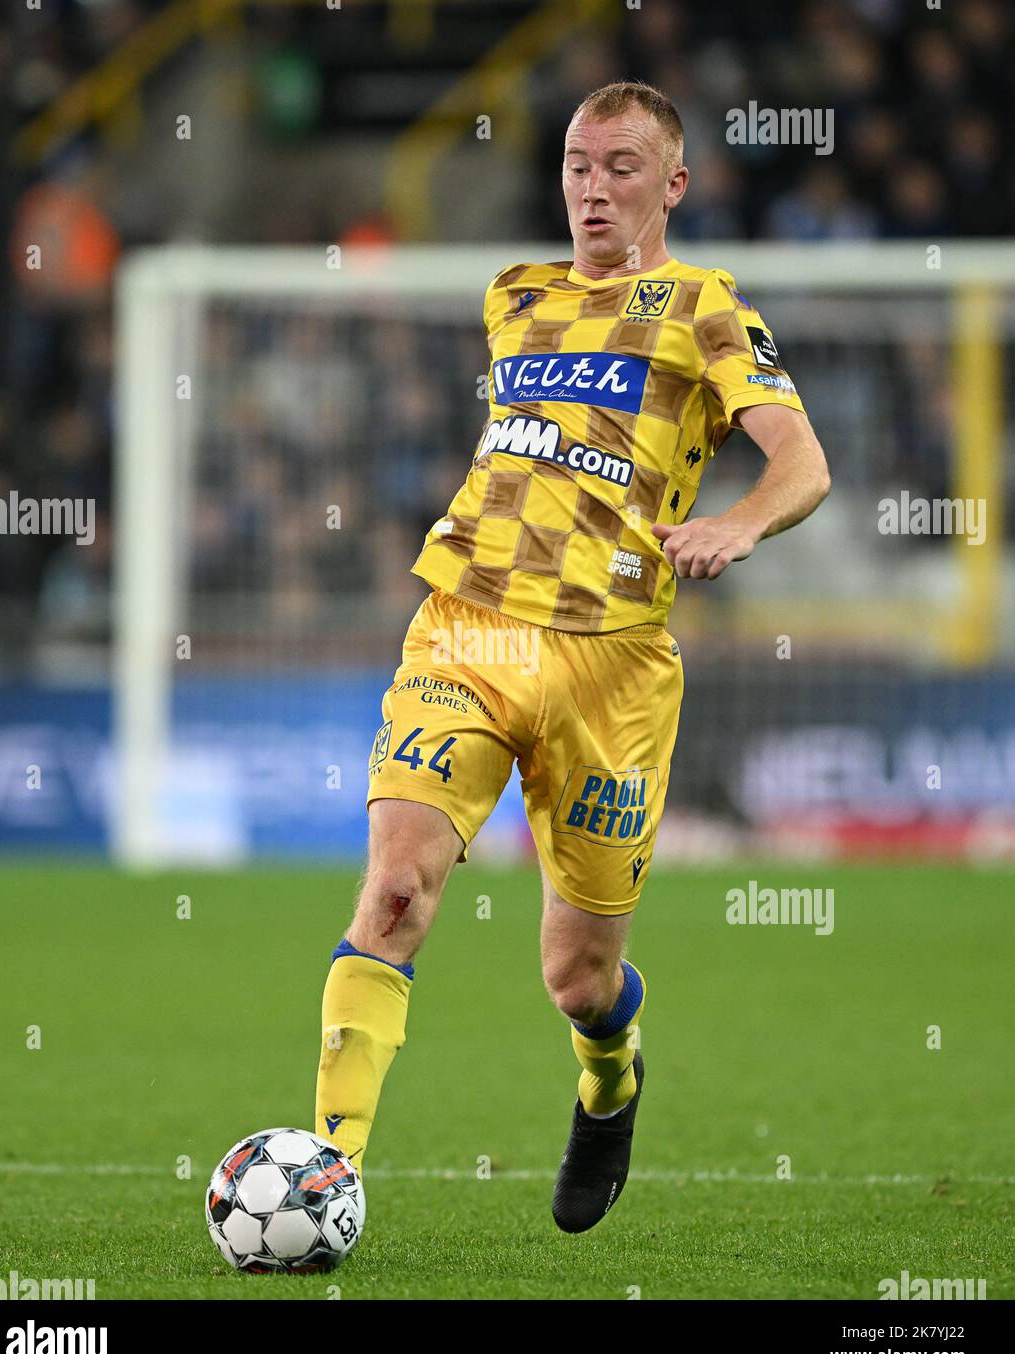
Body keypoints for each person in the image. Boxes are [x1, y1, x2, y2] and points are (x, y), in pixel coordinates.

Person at [314, 80, 830, 1234]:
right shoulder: (515, 296)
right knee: (395, 889)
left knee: (578, 977)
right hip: (468, 628)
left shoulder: (703, 306)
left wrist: (741, 523)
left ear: (674, 185)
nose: (593, 189)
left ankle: (611, 1079)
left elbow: (803, 460)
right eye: (577, 164)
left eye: (623, 168)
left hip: (615, 668)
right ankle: (328, 1170)